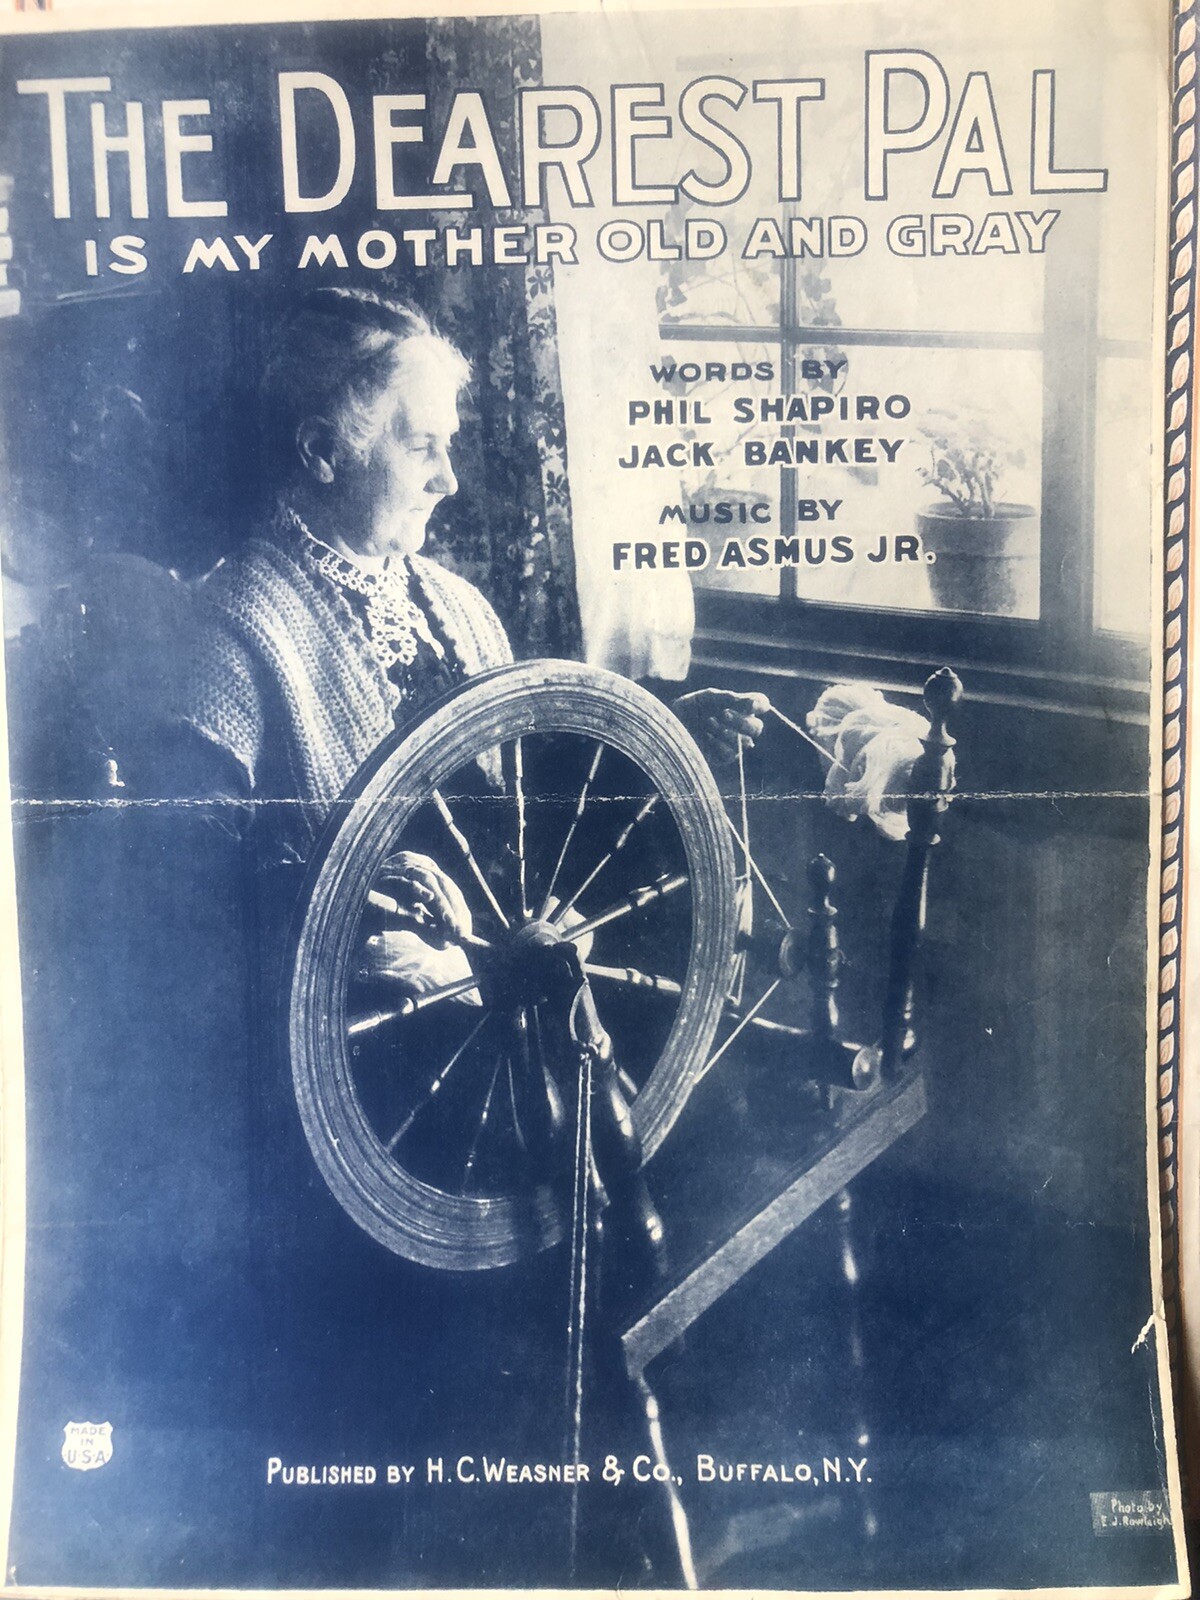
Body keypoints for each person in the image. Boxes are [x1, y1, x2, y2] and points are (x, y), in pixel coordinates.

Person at [175, 285, 767, 926]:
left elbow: (526, 795)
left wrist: (657, 738)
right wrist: (362, 895)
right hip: (359, 983)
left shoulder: (458, 609)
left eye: (449, 444)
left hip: (504, 958)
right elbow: (192, 870)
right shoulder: (234, 628)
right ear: (322, 451)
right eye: (420, 446)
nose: (449, 480)